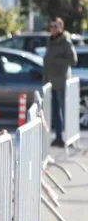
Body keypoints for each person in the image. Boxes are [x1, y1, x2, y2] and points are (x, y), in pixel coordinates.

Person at [44, 18, 78, 147]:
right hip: (51, 82)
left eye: (56, 26)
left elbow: (73, 60)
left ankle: (69, 139)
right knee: (55, 113)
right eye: (51, 26)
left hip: (62, 82)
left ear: (61, 27)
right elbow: (47, 61)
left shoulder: (65, 42)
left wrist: (56, 61)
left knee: (65, 111)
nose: (53, 28)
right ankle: (58, 137)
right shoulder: (50, 41)